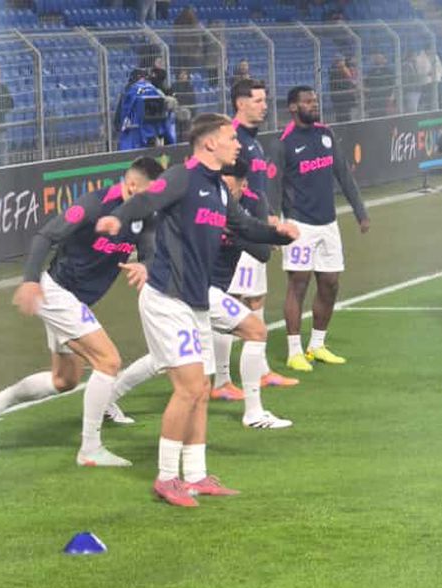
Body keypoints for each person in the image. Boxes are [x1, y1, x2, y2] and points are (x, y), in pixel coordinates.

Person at [96, 113, 299, 507]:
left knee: (202, 389)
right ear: (209, 143)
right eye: (230, 138)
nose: (237, 144)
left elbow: (243, 226)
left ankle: (196, 474)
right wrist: (116, 218)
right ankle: (166, 477)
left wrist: (278, 234)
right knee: (189, 387)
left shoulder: (219, 189)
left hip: (197, 302)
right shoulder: (183, 177)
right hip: (167, 299)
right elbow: (146, 200)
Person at [0, 157, 166, 466]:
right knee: (109, 361)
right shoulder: (94, 204)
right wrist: (30, 280)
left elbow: (150, 253)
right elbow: (46, 236)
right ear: (131, 186)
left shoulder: (144, 215)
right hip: (58, 293)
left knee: (64, 380)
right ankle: (90, 449)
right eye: (150, 194)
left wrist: (145, 266)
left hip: (76, 301)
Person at [109, 158, 295, 430]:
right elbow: (167, 237)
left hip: (206, 293)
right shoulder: (199, 202)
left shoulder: (247, 204)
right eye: (223, 185)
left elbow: (262, 252)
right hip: (196, 291)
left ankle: (108, 398)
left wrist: (241, 232)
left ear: (242, 186)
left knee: (162, 360)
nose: (225, 192)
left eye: (231, 188)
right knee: (254, 331)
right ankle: (252, 413)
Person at [211, 78, 297, 401]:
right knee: (232, 299)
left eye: (265, 100)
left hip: (255, 226)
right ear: (240, 103)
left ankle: (261, 371)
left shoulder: (253, 141)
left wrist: (269, 218)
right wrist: (249, 225)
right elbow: (227, 189)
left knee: (256, 297)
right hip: (239, 231)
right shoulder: (232, 139)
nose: (265, 106)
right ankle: (221, 380)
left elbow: (257, 190)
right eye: (258, 100)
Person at [278, 86, 370, 373]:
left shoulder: (326, 134)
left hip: (328, 223)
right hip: (299, 225)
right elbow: (274, 184)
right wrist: (277, 223)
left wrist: (360, 212)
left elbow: (343, 173)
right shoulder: (285, 142)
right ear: (293, 107)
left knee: (330, 283)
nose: (314, 104)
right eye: (308, 101)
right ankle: (294, 351)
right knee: (299, 284)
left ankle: (317, 345)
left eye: (315, 100)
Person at [327, 55, 358, 122]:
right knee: (341, 116)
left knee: (346, 116)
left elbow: (352, 81)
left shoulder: (346, 70)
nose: (342, 63)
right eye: (340, 61)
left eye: (342, 61)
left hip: (345, 98)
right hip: (340, 98)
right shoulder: (335, 71)